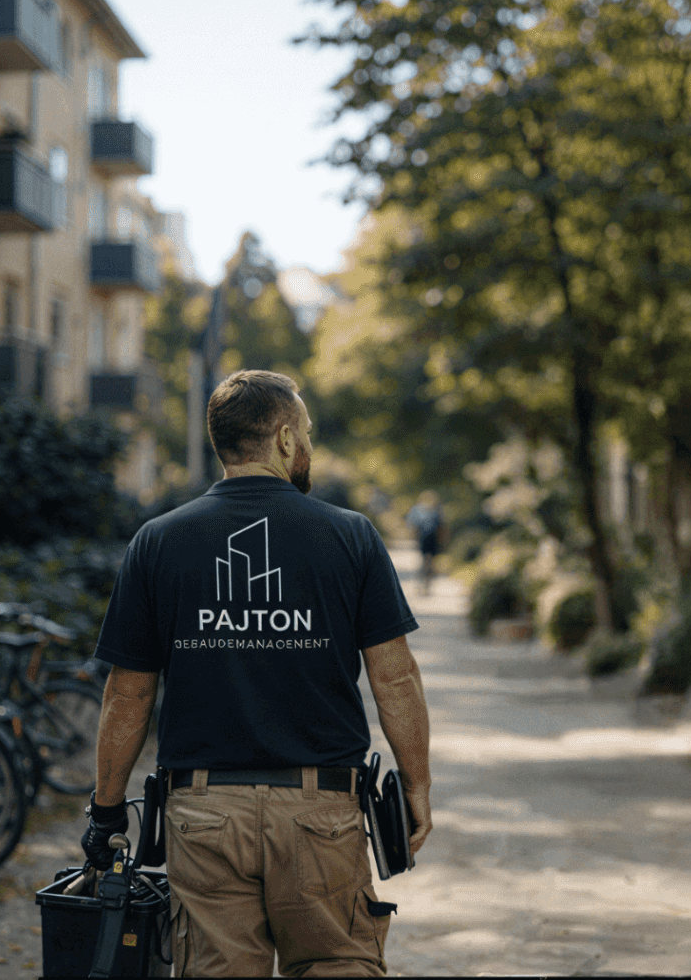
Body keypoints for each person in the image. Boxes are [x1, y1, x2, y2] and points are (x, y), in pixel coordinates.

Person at [82, 369, 433, 977]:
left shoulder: (158, 542)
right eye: (307, 432)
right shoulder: (350, 536)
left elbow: (127, 694)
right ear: (286, 440)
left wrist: (107, 812)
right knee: (337, 965)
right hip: (321, 811)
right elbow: (395, 678)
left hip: (205, 815)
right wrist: (416, 785)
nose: (309, 444)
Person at [404, 491, 446, 595]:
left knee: (426, 562)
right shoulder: (434, 510)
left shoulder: (421, 510)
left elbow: (413, 527)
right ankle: (424, 585)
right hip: (429, 539)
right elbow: (442, 528)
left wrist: (414, 539)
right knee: (428, 562)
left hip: (428, 539)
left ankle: (424, 585)